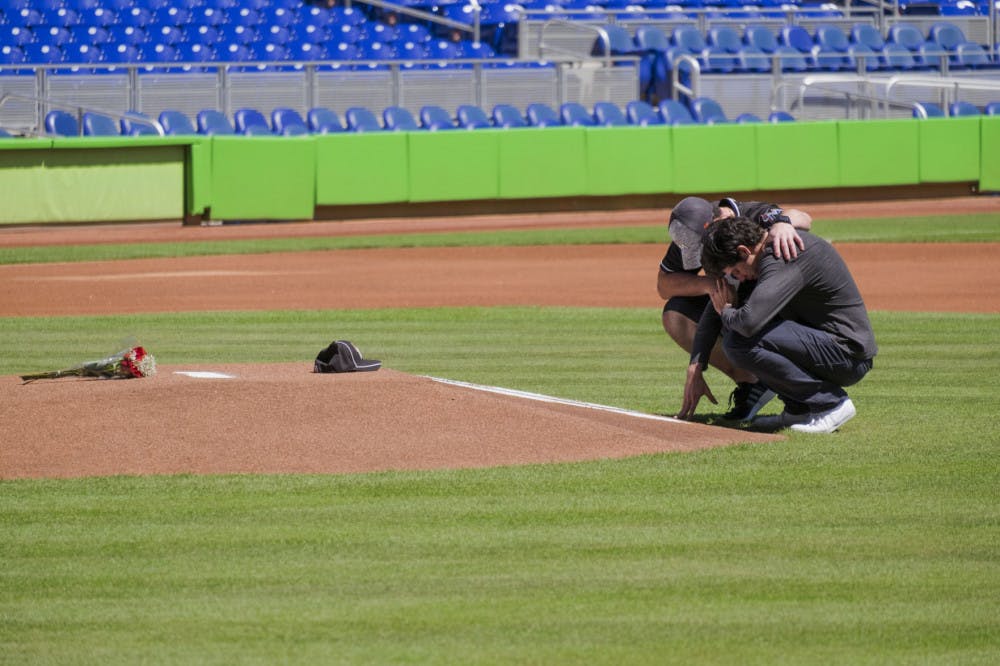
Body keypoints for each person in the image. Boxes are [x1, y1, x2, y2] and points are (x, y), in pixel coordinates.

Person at [685, 215, 877, 433]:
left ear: (744, 251)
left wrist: (726, 311)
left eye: (735, 271)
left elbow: (748, 323)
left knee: (739, 342)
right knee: (738, 334)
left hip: (847, 355)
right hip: (833, 347)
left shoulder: (780, 255)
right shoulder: (767, 254)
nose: (740, 278)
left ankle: (831, 404)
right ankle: (799, 410)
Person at [658, 196, 813, 420]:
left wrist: (783, 223)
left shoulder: (753, 214)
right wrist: (711, 285)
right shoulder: (691, 232)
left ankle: (800, 389)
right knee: (675, 313)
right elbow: (664, 285)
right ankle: (753, 383)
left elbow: (805, 218)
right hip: (740, 305)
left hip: (779, 305)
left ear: (715, 222)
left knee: (750, 320)